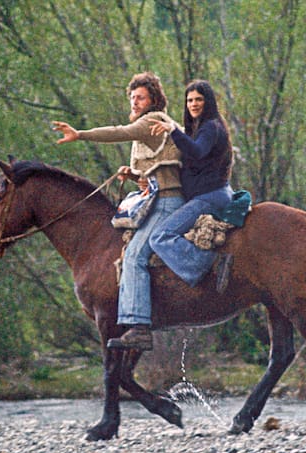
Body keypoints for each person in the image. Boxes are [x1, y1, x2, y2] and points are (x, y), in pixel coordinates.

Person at [52, 72, 183, 352]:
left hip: (167, 203)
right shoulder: (151, 125)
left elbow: (118, 132)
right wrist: (135, 175)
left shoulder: (152, 121)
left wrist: (80, 134)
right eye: (132, 97)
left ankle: (138, 327)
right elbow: (160, 168)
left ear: (153, 100)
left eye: (140, 97)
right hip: (157, 198)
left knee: (134, 257)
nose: (135, 102)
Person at [147, 79, 234, 292]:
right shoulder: (199, 128)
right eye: (189, 100)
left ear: (208, 102)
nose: (193, 104)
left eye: (199, 99)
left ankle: (208, 264)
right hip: (210, 195)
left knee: (160, 237)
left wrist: (173, 130)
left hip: (210, 198)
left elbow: (197, 151)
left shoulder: (211, 128)